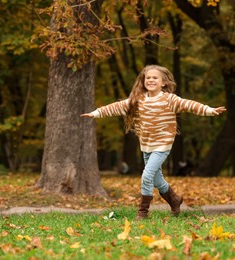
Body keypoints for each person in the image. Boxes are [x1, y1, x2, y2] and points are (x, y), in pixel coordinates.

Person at [81, 65, 226, 220]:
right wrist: (96, 113)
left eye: (154, 77)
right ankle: (175, 199)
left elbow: (189, 104)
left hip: (163, 144)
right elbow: (117, 107)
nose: (150, 80)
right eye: (147, 78)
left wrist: (210, 110)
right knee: (157, 179)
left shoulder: (169, 99)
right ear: (143, 81)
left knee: (147, 176)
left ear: (163, 82)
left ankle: (143, 211)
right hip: (146, 144)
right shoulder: (138, 100)